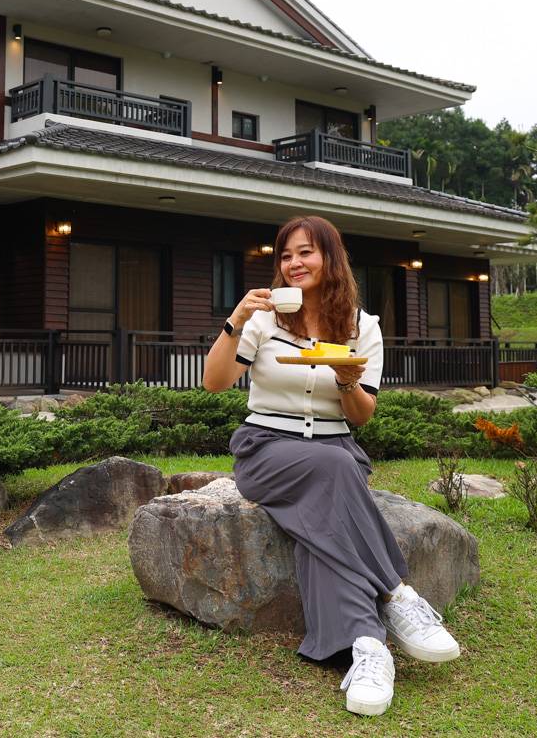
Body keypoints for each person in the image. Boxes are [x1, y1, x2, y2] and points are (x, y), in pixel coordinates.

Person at [202, 214, 461, 717]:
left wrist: (346, 379)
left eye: (305, 252)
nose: (294, 263)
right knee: (335, 470)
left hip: (335, 447)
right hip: (267, 449)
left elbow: (361, 416)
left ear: (330, 258)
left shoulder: (364, 328)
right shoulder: (262, 319)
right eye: (285, 255)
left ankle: (368, 648)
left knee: (320, 526)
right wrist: (234, 319)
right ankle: (398, 593)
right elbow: (214, 382)